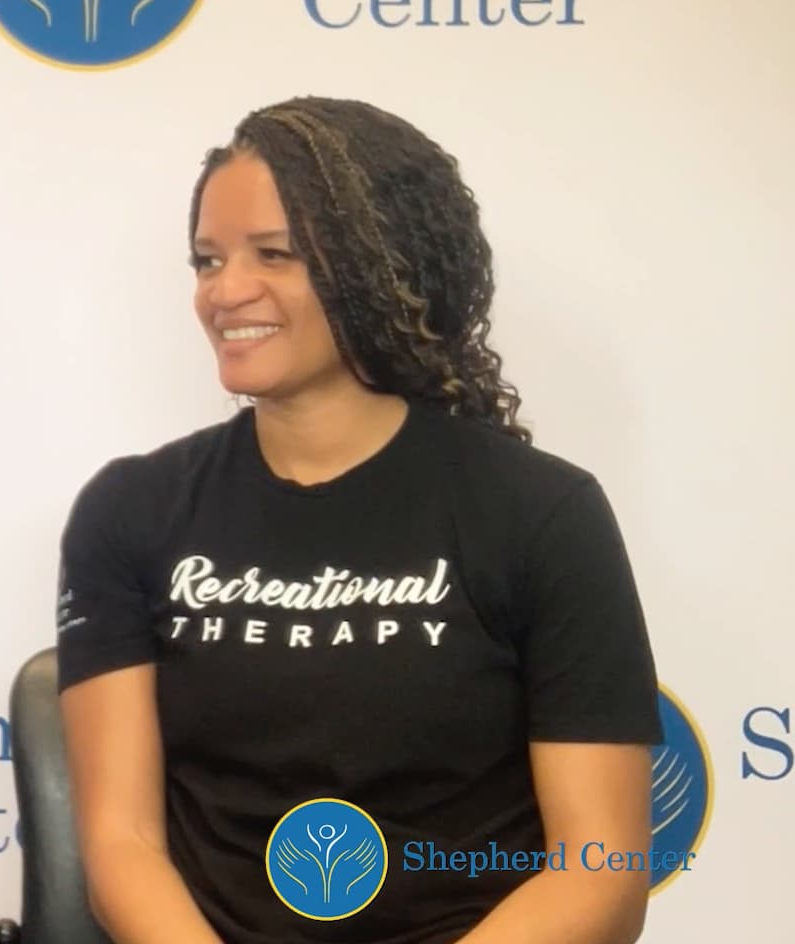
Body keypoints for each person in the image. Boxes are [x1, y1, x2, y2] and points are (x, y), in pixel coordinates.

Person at [53, 96, 661, 944]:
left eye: (275, 254)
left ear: (381, 266)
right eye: (205, 260)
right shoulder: (130, 511)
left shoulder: (542, 514)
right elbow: (122, 844)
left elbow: (602, 869)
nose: (226, 291)